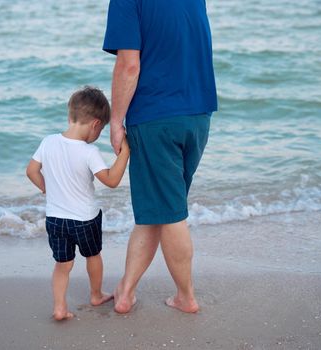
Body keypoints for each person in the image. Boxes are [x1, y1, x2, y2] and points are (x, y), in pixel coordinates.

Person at [102, 0, 217, 313]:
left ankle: (186, 297)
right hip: (198, 115)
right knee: (160, 207)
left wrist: (115, 121)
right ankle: (125, 291)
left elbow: (129, 65)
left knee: (170, 212)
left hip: (156, 117)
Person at [26, 86, 130, 321]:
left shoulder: (48, 142)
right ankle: (95, 295)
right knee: (93, 256)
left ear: (70, 115)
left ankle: (60, 307)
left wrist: (45, 187)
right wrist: (125, 153)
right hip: (85, 219)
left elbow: (31, 170)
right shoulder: (88, 151)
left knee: (62, 265)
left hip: (55, 220)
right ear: (95, 124)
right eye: (101, 129)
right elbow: (112, 181)